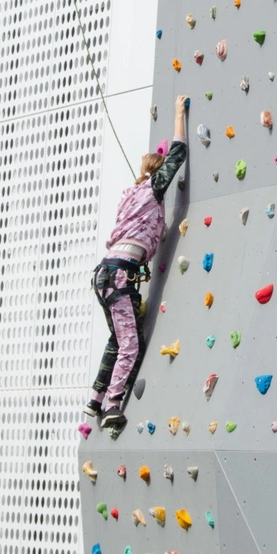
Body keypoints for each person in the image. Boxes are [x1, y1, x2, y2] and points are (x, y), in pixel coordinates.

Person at [84, 95, 189, 429]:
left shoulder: (129, 194)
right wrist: (177, 114)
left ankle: (95, 399)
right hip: (120, 274)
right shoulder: (152, 191)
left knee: (117, 338)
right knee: (131, 343)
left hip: (106, 272)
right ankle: (113, 404)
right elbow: (178, 154)